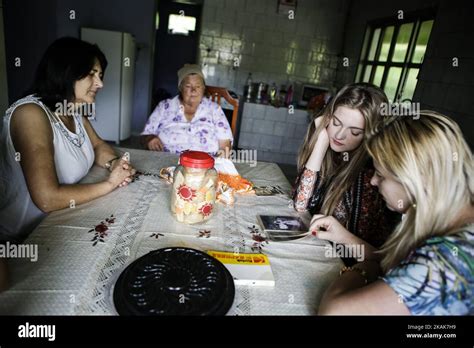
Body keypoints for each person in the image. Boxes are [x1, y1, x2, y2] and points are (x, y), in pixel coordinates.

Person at [317, 111, 473, 315]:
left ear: (416, 178)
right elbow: (392, 263)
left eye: (381, 175)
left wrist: (361, 269)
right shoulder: (455, 219)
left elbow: (335, 312)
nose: (373, 181)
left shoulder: (448, 257)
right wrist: (343, 237)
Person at [0, 37, 136, 245]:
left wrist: (113, 163)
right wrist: (110, 183)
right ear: (66, 72)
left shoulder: (73, 112)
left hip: (59, 219)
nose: (100, 83)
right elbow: (47, 198)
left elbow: (98, 145)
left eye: (100, 75)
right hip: (21, 238)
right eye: (92, 74)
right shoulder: (30, 114)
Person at [293, 83, 399, 260]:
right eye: (336, 123)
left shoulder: (370, 174)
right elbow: (300, 205)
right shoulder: (334, 153)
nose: (340, 135)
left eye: (355, 132)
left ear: (369, 135)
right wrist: (320, 143)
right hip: (321, 253)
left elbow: (380, 259)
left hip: (350, 268)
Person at [141, 64, 233, 157]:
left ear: (203, 88)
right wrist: (150, 139)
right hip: (166, 164)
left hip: (205, 166)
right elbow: (145, 136)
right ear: (180, 88)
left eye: (198, 86)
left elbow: (225, 146)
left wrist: (217, 165)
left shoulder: (215, 110)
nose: (193, 91)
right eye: (188, 86)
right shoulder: (164, 107)